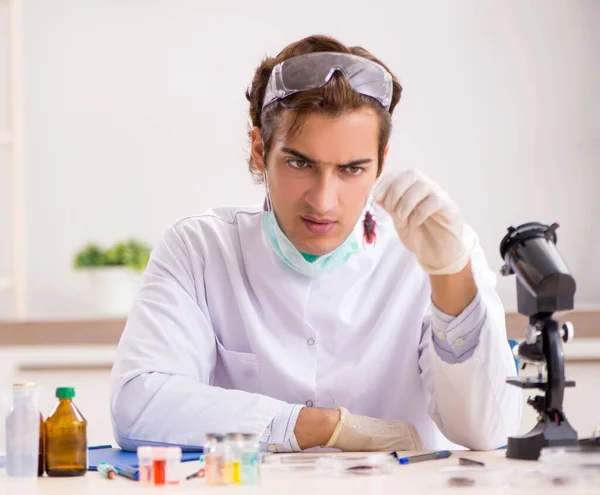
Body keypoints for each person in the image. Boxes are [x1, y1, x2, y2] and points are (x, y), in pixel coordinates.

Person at [109, 34, 521, 453]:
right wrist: (325, 428)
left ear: (381, 161)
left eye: (352, 169)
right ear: (259, 150)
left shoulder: (434, 248)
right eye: (300, 163)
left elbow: (487, 431)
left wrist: (450, 276)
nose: (323, 202)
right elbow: (138, 405)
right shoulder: (200, 249)